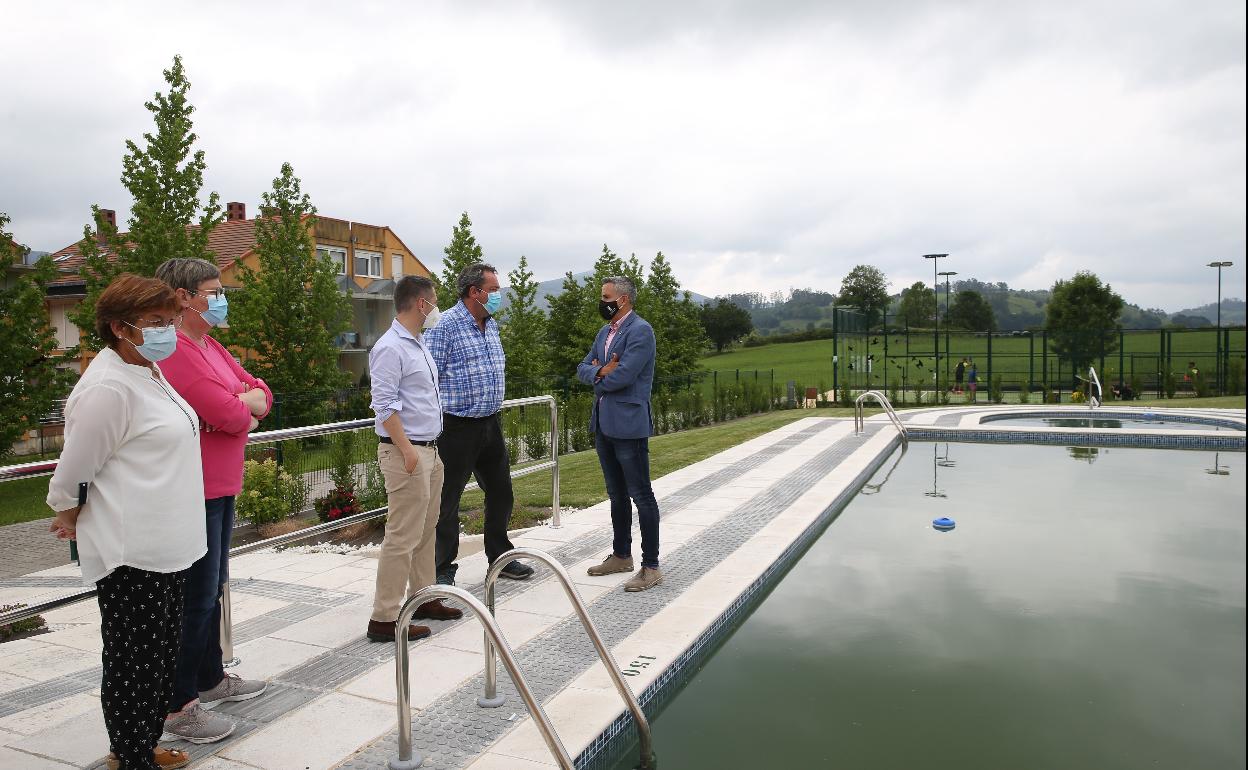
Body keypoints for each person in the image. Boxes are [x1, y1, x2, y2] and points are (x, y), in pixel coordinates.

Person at [46, 274, 205, 770]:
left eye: (171, 319)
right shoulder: (109, 387)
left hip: (169, 541)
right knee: (133, 661)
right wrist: (68, 510)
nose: (169, 330)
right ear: (119, 327)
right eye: (155, 322)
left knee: (159, 658)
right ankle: (131, 756)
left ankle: (144, 742)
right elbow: (76, 465)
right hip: (131, 548)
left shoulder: (148, 370)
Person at [155, 258, 269, 743]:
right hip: (194, 489)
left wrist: (243, 403)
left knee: (213, 590)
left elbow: (262, 392)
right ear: (184, 297)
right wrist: (241, 405)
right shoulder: (178, 350)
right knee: (195, 599)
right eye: (213, 291)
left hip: (223, 484)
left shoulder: (212, 345)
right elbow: (229, 409)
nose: (221, 299)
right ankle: (178, 705)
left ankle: (211, 677)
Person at [366, 276, 464, 643]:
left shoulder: (418, 343)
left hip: (429, 449)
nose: (437, 306)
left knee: (426, 530)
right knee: (402, 535)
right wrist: (407, 451)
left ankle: (423, 599)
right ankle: (384, 618)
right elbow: (384, 405)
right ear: (421, 304)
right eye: (434, 300)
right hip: (406, 452)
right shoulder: (391, 347)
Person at [424, 263, 533, 585]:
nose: (498, 295)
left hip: (489, 423)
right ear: (475, 292)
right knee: (448, 501)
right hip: (455, 427)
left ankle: (500, 558)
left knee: (501, 492)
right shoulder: (445, 326)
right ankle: (442, 570)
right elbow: (428, 378)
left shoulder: (491, 324)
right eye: (494, 290)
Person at [576, 276, 663, 592]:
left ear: (623, 299)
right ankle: (621, 555)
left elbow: (625, 376)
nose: (602, 301)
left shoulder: (641, 331)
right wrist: (600, 370)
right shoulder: (604, 332)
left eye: (605, 296)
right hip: (603, 424)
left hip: (628, 425)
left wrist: (601, 375)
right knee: (616, 494)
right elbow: (581, 367)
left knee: (641, 494)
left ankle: (650, 566)